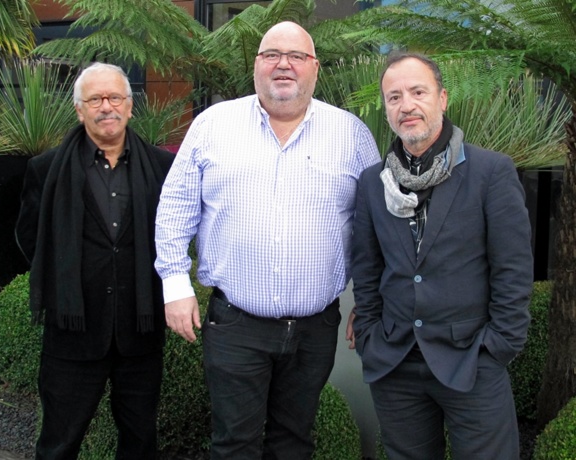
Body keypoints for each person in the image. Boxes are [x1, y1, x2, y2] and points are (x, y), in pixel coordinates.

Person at [155, 21, 380, 459]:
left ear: (314, 68)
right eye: (271, 54)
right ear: (256, 65)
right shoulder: (211, 126)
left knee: (294, 441)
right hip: (235, 323)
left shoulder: (351, 135)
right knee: (234, 443)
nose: (284, 64)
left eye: (296, 56)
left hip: (316, 329)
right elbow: (175, 209)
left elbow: (373, 228)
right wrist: (175, 287)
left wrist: (370, 302)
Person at [348, 52, 533, 459]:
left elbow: (513, 269)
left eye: (418, 92)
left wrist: (498, 346)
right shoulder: (372, 182)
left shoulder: (491, 173)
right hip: (395, 362)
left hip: (472, 360)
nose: (406, 105)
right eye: (394, 97)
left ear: (443, 98)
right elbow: (367, 268)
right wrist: (370, 336)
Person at [15, 62, 174, 459]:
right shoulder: (46, 168)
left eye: (115, 97)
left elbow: (172, 238)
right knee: (58, 443)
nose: (107, 106)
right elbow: (27, 237)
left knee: (139, 442)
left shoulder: (160, 167)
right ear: (79, 108)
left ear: (130, 106)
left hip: (140, 331)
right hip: (73, 332)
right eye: (96, 99)